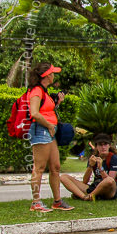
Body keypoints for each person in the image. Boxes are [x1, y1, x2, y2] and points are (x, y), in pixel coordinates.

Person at [26, 62, 73, 212]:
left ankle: (57, 201)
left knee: (55, 167)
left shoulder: (45, 92)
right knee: (39, 168)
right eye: (52, 73)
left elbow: (46, 110)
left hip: (50, 131)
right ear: (46, 75)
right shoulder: (36, 91)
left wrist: (57, 103)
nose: (54, 76)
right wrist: (48, 125)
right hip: (42, 130)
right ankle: (35, 202)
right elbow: (34, 113)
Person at [60, 133, 117, 201]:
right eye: (100, 145)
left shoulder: (113, 158)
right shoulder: (93, 158)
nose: (103, 147)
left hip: (110, 190)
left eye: (105, 144)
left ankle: (90, 196)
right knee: (63, 177)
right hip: (95, 187)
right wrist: (90, 166)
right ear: (96, 146)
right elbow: (85, 181)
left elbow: (110, 181)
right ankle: (84, 197)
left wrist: (101, 168)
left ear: (109, 145)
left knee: (109, 180)